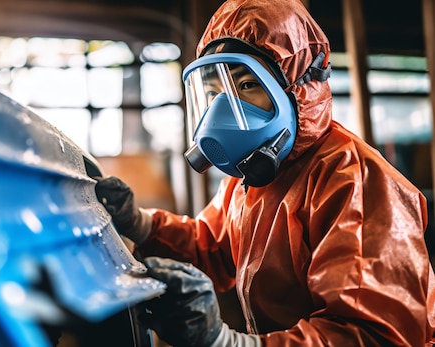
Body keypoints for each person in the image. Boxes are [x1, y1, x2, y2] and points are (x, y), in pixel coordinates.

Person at [95, 0, 435, 345]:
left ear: (298, 86)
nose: (223, 109)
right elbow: (213, 245)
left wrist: (230, 343)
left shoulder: (355, 183)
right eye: (214, 92)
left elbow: (374, 335)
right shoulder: (254, 177)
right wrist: (140, 223)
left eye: (244, 86)